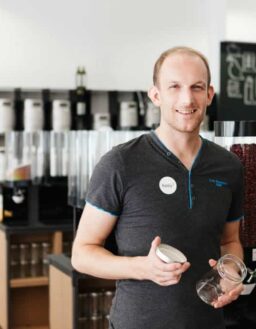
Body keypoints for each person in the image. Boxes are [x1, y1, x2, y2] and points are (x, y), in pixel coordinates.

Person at [72, 46, 245, 329]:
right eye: (174, 87)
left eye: (197, 87)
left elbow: (230, 241)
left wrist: (231, 272)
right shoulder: (120, 163)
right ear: (156, 95)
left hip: (208, 323)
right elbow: (82, 253)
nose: (187, 99)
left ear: (209, 95)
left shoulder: (229, 166)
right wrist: (143, 267)